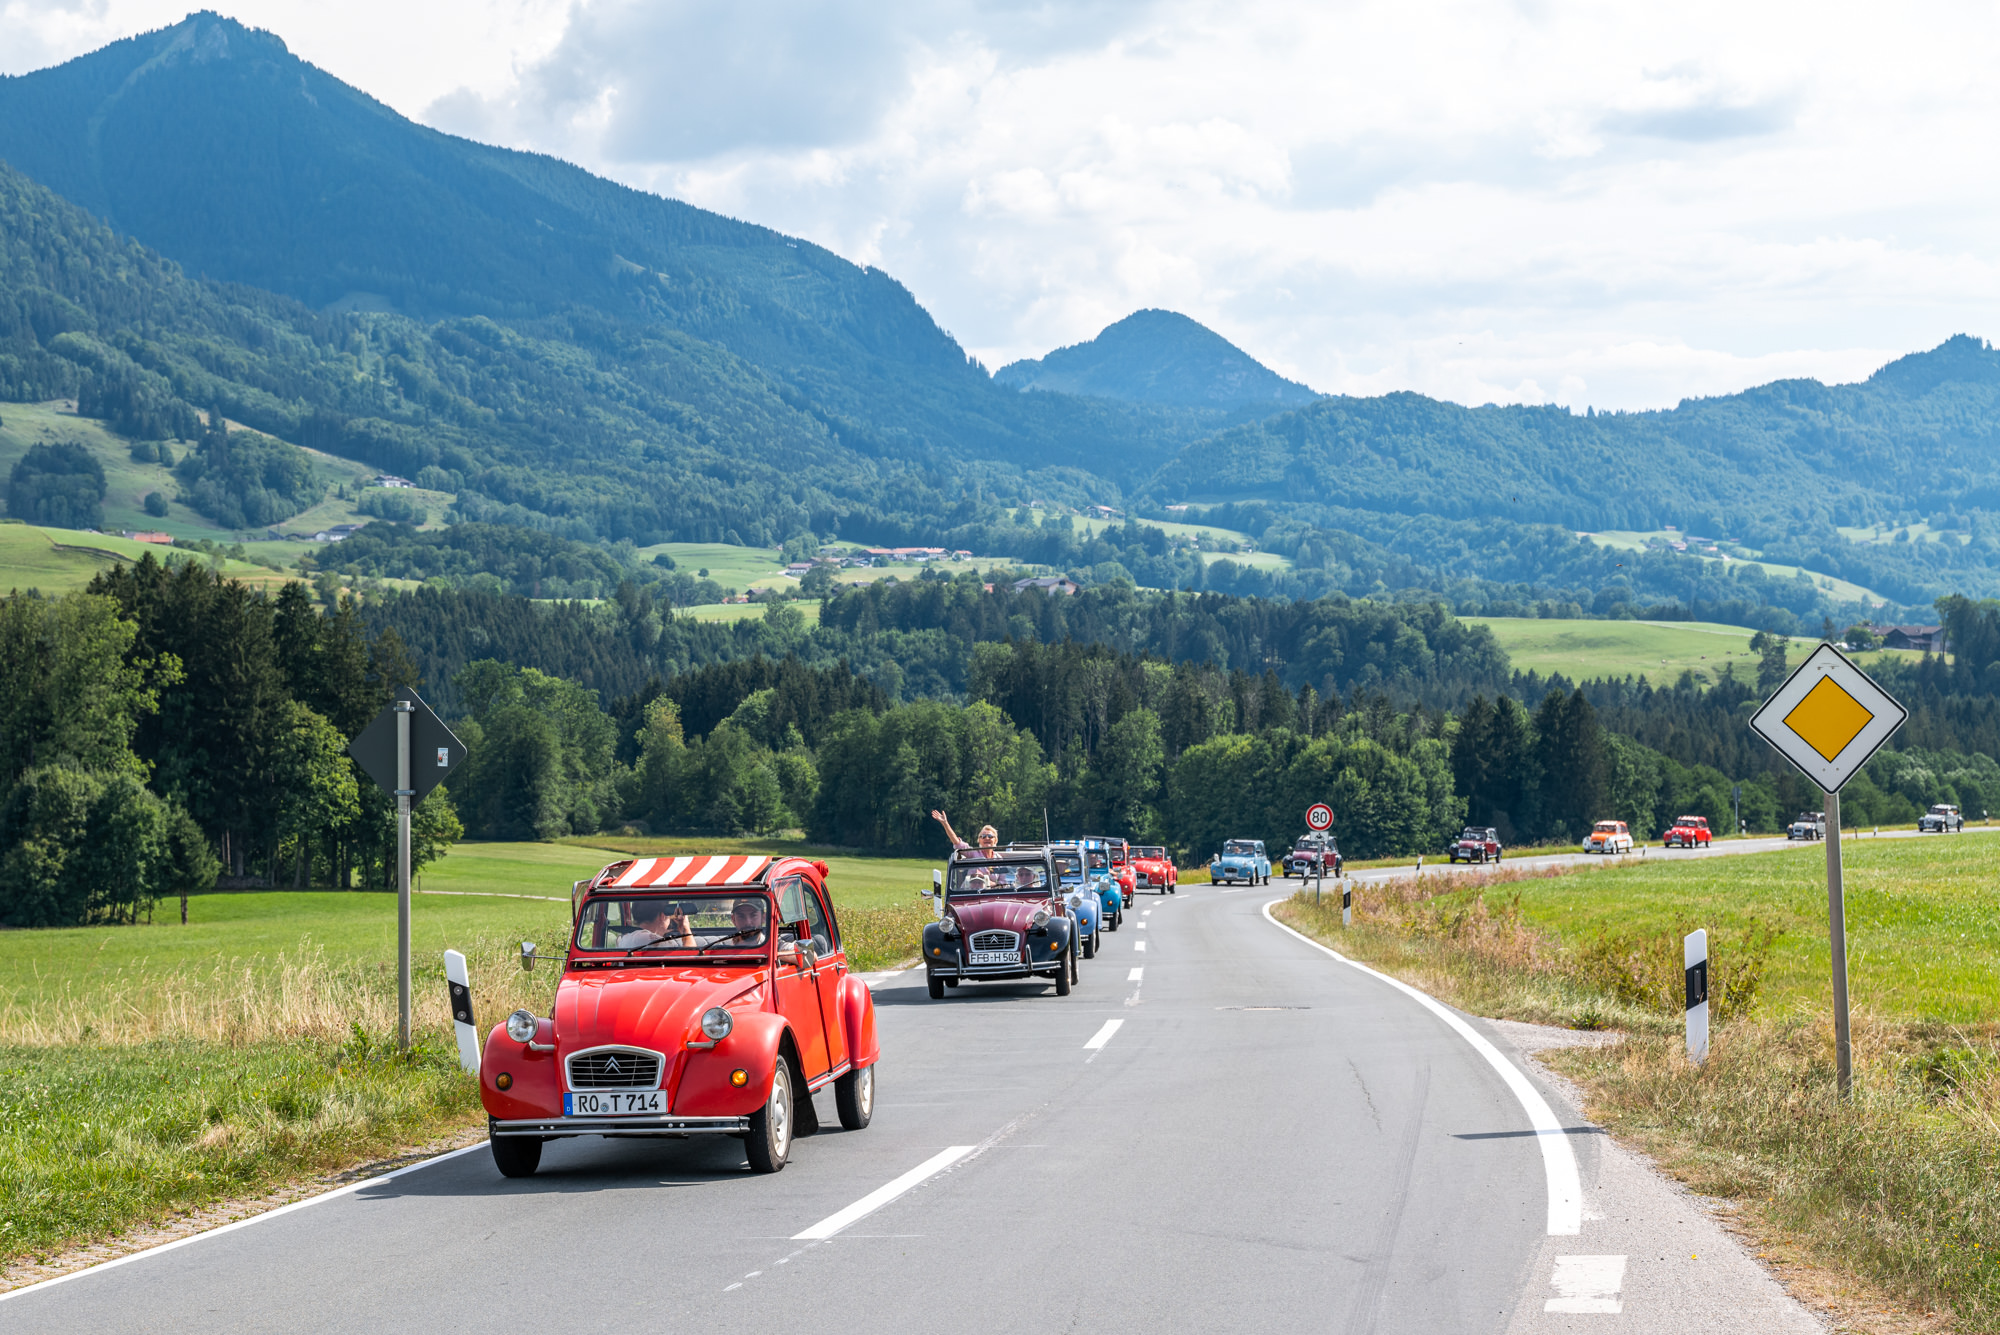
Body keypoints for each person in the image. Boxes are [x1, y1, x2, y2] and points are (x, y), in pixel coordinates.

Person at [618, 900, 692, 949]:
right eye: (668, 915)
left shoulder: (624, 939)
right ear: (662, 916)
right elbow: (690, 958)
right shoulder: (657, 942)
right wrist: (686, 929)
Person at [932, 809, 999, 857]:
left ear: (995, 840)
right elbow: (957, 842)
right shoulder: (973, 853)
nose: (987, 838)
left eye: (990, 836)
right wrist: (945, 823)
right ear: (979, 840)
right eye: (983, 836)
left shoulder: (998, 858)